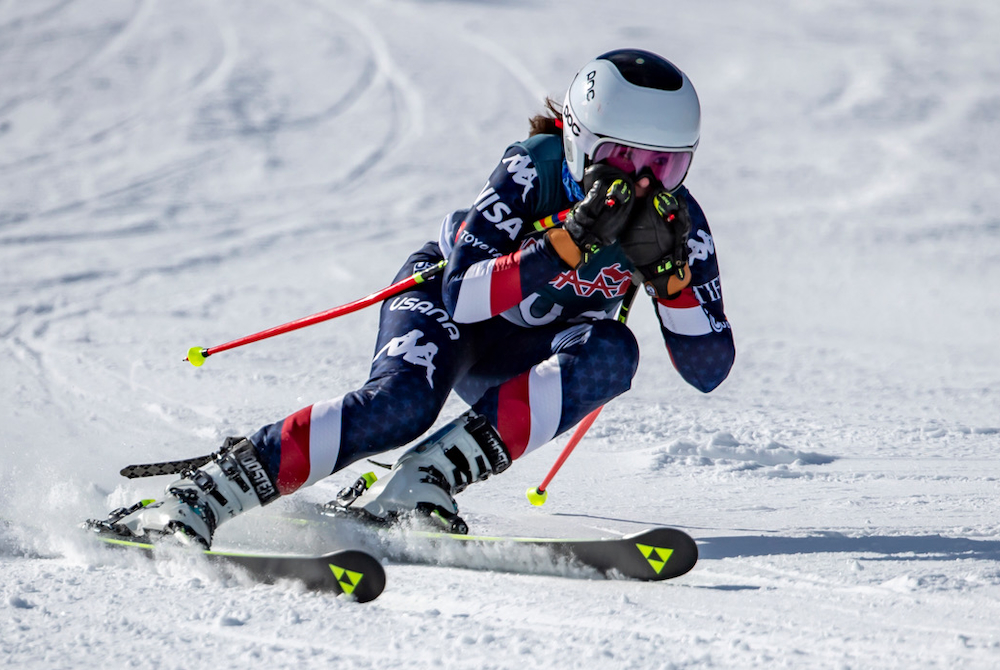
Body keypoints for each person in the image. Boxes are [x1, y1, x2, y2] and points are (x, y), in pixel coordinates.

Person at [97, 49, 735, 547]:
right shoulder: (532, 169)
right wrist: (566, 243)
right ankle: (200, 495)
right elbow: (463, 295)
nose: (640, 181)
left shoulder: (681, 223)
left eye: (666, 165)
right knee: (402, 403)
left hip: (528, 350)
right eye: (620, 155)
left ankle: (423, 482)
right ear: (577, 138)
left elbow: (709, 370)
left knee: (612, 350)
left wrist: (671, 280)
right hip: (447, 306)